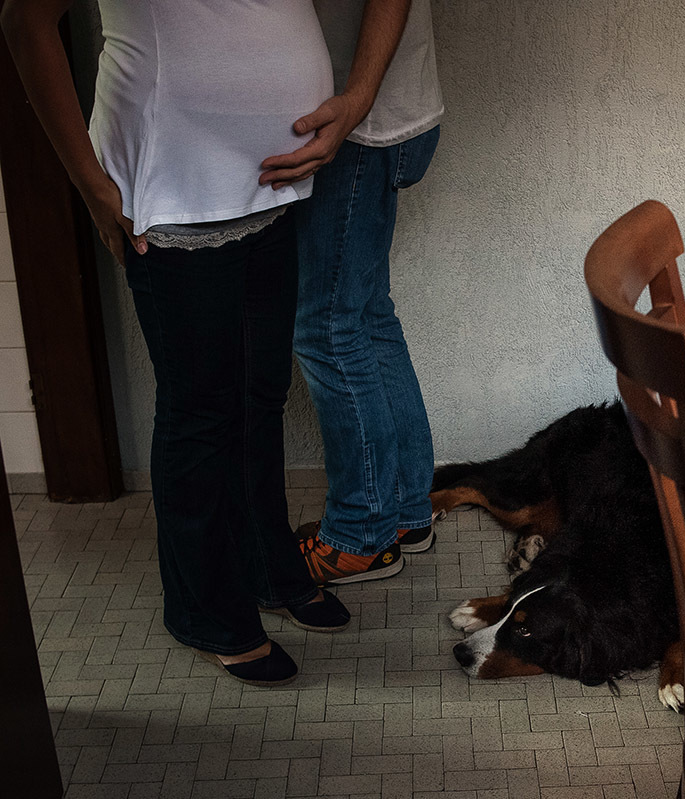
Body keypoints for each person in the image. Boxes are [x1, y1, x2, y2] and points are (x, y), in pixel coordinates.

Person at [1, 0, 352, 687]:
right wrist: (89, 182)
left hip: (271, 180)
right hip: (175, 181)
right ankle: (202, 608)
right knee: (201, 410)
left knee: (260, 391)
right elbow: (25, 20)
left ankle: (264, 564)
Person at [260, 0, 444, 585]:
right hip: (380, 114)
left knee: (327, 327)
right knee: (365, 315)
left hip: (354, 124)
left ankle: (362, 532)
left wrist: (358, 99)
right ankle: (405, 511)